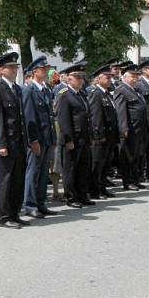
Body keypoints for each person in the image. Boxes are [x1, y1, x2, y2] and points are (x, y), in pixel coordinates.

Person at [0, 52, 28, 229]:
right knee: (5, 181)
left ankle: (15, 213)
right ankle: (4, 216)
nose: (14, 70)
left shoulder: (15, 89)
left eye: (15, 67)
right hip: (5, 143)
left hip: (18, 142)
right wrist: (0, 143)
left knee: (17, 180)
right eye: (10, 67)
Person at [22, 56, 59, 218]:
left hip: (48, 138)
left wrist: (53, 139)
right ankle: (30, 205)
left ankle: (41, 202)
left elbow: (50, 117)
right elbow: (29, 118)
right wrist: (33, 140)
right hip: (37, 140)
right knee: (33, 172)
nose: (46, 71)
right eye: (43, 69)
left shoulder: (46, 89)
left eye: (47, 69)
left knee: (44, 172)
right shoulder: (29, 90)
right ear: (35, 72)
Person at [55, 63, 94, 207]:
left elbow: (87, 117)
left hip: (84, 137)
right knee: (70, 169)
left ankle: (82, 195)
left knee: (83, 168)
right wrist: (68, 139)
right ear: (69, 79)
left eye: (82, 78)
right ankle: (71, 197)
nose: (81, 80)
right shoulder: (64, 95)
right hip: (73, 139)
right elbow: (63, 120)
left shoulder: (82, 94)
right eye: (77, 77)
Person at [113, 64, 148, 191]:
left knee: (137, 156)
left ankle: (135, 179)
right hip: (130, 129)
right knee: (128, 157)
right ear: (125, 77)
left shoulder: (135, 90)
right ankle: (127, 182)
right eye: (132, 77)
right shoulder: (121, 90)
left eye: (136, 76)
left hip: (139, 129)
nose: (135, 79)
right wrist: (123, 128)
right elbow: (120, 111)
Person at [88, 65, 119, 199]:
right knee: (97, 164)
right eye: (107, 78)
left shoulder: (106, 94)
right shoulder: (96, 94)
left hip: (110, 135)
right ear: (98, 79)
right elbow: (96, 117)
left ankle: (102, 187)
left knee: (106, 163)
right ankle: (95, 190)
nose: (110, 80)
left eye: (111, 78)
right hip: (101, 137)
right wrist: (98, 135)